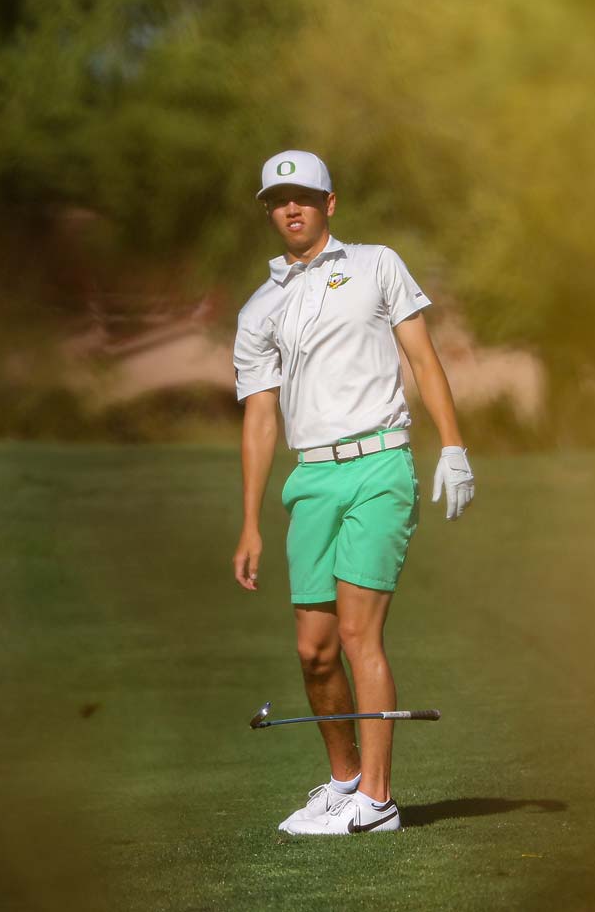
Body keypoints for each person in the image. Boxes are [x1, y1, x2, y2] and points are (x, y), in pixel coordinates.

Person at [230, 149, 475, 836]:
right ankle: (343, 782)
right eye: (279, 199)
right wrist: (249, 521)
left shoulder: (376, 265)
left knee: (360, 630)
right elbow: (259, 416)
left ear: (329, 203)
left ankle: (378, 800)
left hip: (379, 466)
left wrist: (452, 447)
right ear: (269, 210)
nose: (292, 207)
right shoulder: (260, 308)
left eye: (304, 195)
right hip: (311, 477)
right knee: (314, 648)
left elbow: (423, 359)